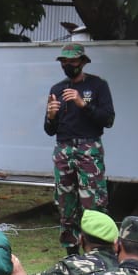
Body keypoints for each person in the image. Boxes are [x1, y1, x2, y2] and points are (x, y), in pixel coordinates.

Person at [44, 43, 115, 256]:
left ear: (83, 62)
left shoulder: (97, 86)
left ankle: (99, 254)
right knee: (66, 204)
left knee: (93, 203)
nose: (68, 65)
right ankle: (72, 256)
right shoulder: (56, 89)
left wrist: (82, 103)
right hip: (63, 149)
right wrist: (51, 116)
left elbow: (108, 119)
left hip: (88, 148)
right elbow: (49, 130)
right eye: (64, 62)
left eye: (72, 61)